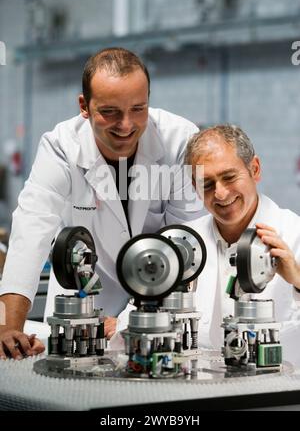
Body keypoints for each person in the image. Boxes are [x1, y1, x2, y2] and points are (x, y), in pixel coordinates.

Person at [0, 47, 200, 359]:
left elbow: (184, 243)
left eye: (138, 109)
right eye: (110, 112)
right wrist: (7, 327)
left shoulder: (180, 140)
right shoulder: (61, 146)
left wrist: (127, 319)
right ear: (84, 105)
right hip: (80, 310)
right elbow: (31, 230)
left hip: (157, 307)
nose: (126, 125)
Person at [185, 124, 300, 365]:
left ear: (254, 169)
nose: (220, 194)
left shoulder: (294, 233)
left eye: (229, 177)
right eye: (206, 184)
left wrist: (298, 279)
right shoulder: (184, 244)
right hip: (203, 389)